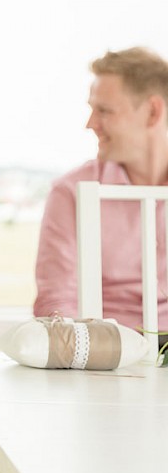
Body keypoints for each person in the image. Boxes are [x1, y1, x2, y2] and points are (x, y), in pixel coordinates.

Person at [34, 47, 168, 351]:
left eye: (104, 111)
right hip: (104, 356)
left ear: (152, 112)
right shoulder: (70, 192)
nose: (90, 123)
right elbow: (56, 301)